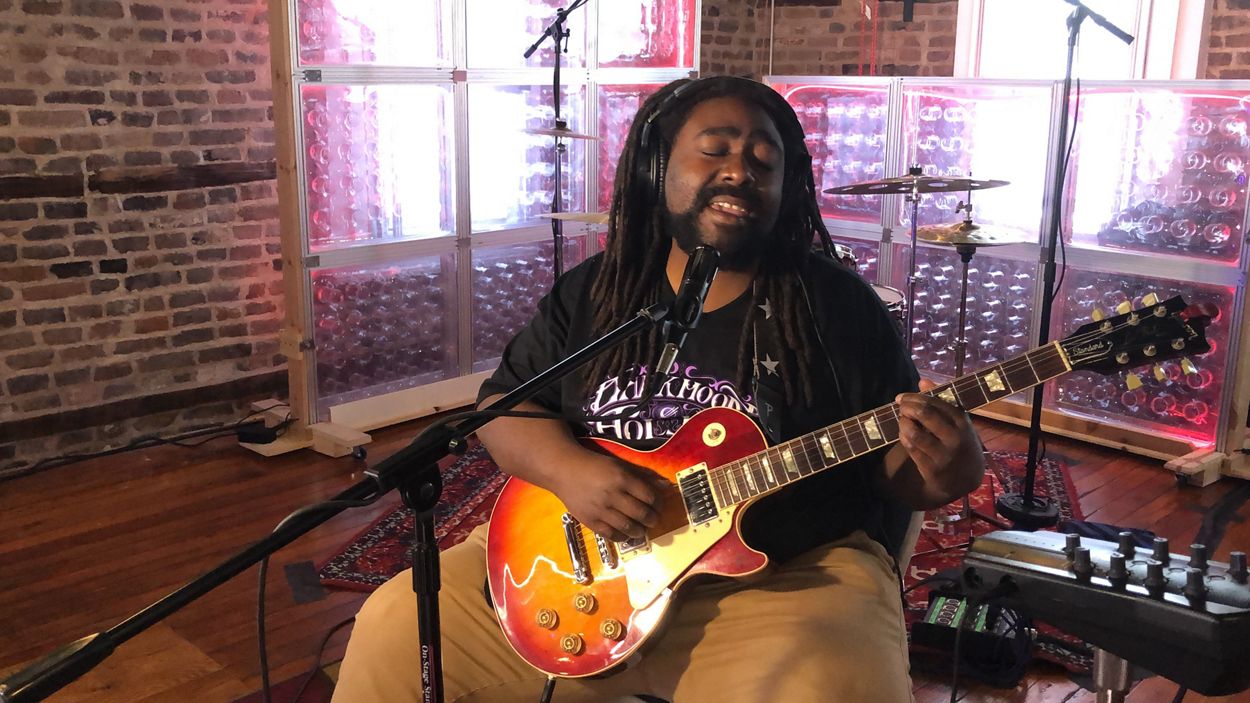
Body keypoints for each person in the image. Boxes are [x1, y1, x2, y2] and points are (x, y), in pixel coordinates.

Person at [332, 75, 985, 703]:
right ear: (656, 169)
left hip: (780, 586)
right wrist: (571, 471)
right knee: (395, 628)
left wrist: (949, 463)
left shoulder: (838, 307)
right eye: (715, 149)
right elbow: (505, 409)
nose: (740, 171)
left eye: (764, 160)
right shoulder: (597, 290)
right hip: (570, 569)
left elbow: (896, 471)